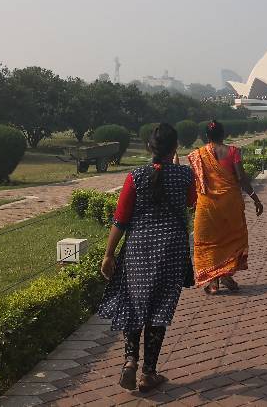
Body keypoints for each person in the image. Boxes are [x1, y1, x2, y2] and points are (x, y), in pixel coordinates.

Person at [98, 123, 195, 392]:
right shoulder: (185, 175)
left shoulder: (135, 176)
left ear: (148, 147)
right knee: (159, 308)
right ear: (175, 148)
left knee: (133, 301)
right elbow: (189, 202)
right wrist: (176, 167)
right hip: (171, 249)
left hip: (139, 247)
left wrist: (108, 254)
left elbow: (120, 219)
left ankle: (130, 360)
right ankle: (148, 373)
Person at [187, 120, 264, 295]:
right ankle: (226, 274)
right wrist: (255, 199)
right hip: (230, 204)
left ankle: (212, 281)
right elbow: (242, 178)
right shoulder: (233, 152)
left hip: (207, 206)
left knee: (208, 242)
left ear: (206, 136)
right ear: (224, 134)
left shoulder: (197, 155)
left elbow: (196, 181)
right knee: (231, 239)